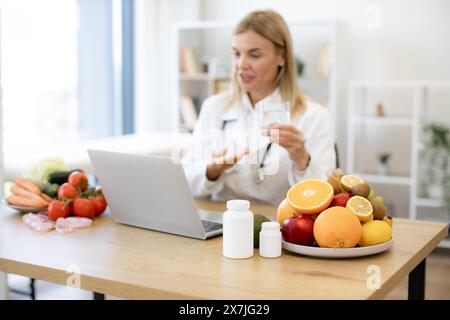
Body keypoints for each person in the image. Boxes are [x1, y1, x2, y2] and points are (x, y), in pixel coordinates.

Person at [182, 9, 336, 206]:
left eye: (254, 55)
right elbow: (188, 179)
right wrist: (212, 170)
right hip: (221, 224)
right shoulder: (214, 108)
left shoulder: (314, 117)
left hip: (277, 229)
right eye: (236, 54)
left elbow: (320, 197)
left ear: (282, 57)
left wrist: (301, 159)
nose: (241, 65)